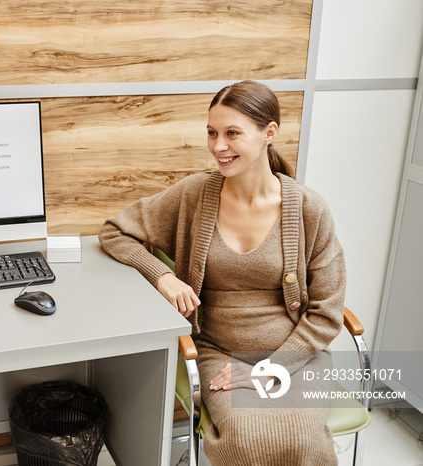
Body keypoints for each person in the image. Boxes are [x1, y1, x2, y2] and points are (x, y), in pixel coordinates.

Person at [99, 80, 345, 465]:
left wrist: (272, 368)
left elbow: (327, 312)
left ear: (269, 133)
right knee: (247, 441)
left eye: (232, 133)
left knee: (305, 443)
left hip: (296, 355)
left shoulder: (309, 209)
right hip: (220, 352)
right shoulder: (194, 194)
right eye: (212, 133)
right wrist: (162, 276)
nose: (218, 146)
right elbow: (115, 230)